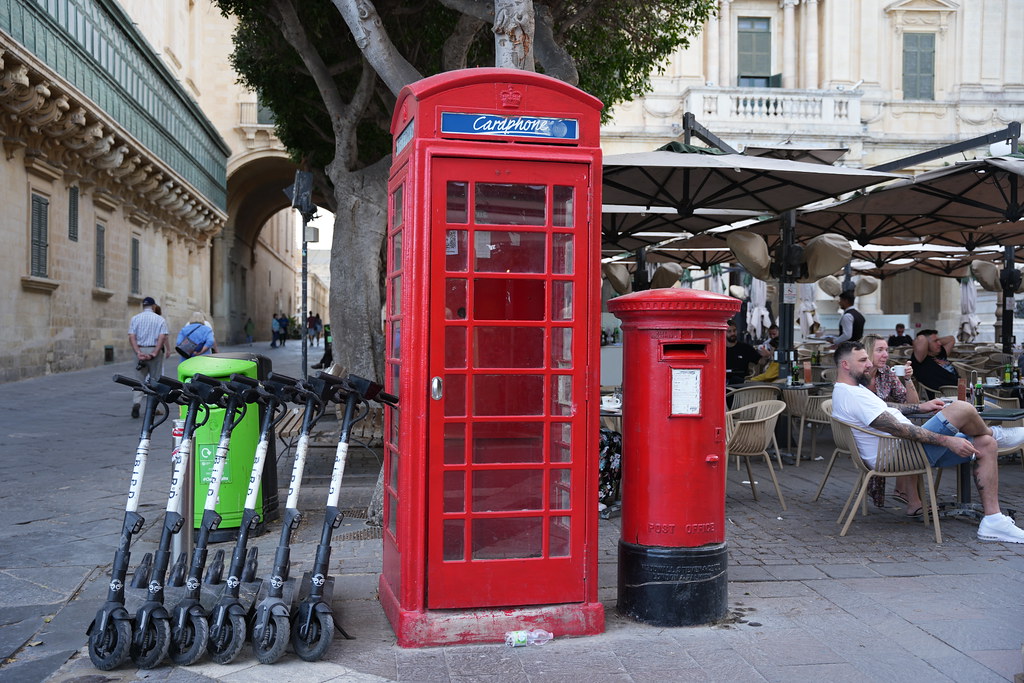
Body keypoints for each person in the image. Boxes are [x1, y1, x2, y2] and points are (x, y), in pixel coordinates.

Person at [831, 340, 1024, 542]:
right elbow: (898, 428)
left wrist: (920, 407)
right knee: (962, 408)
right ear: (845, 365)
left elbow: (884, 408)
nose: (869, 364)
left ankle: (993, 521)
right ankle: (996, 433)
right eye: (862, 360)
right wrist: (948, 441)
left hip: (903, 450)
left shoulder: (849, 390)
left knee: (985, 444)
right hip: (900, 455)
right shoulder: (852, 395)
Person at [861, 334, 921, 508]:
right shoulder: (857, 377)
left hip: (889, 430)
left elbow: (912, 404)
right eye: (880, 350)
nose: (886, 355)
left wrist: (908, 379)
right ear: (867, 352)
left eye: (886, 350)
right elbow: (870, 408)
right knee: (911, 442)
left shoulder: (886, 372)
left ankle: (907, 495)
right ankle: (911, 499)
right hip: (866, 434)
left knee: (910, 437)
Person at [127, 296, 169, 418]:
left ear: (143, 306)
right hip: (153, 349)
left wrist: (138, 352)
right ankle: (153, 407)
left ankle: (136, 403)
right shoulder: (160, 319)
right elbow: (162, 337)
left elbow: (131, 336)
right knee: (155, 379)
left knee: (139, 379)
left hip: (139, 349)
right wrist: (155, 352)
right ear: (154, 306)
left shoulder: (135, 318)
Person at [911, 329, 958, 395]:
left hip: (960, 389)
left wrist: (934, 340)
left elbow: (951, 339)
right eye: (935, 341)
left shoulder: (940, 354)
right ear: (926, 344)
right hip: (945, 395)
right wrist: (929, 342)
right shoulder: (920, 360)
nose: (940, 343)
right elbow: (921, 338)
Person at [726, 320, 761, 385]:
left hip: (741, 385)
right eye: (729, 331)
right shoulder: (719, 349)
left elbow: (760, 361)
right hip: (722, 382)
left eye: (734, 330)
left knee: (735, 379)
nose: (733, 333)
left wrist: (767, 356)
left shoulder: (745, 348)